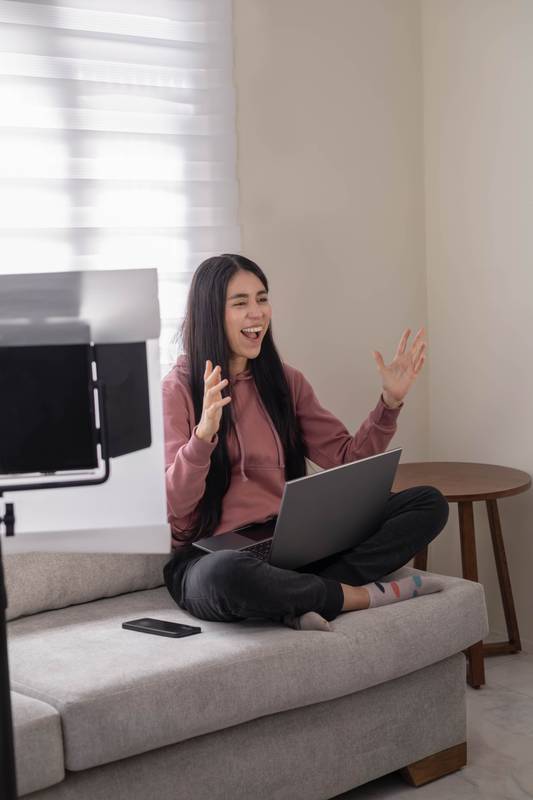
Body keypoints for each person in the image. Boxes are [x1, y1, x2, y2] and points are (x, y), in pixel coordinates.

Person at [162, 254, 449, 631]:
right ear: (211, 313)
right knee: (226, 573)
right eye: (240, 303)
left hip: (288, 546)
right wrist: (203, 436)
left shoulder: (285, 382)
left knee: (427, 502)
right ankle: (356, 595)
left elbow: (347, 459)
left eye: (262, 299)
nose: (257, 314)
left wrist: (389, 403)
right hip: (207, 558)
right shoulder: (177, 390)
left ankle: (297, 597)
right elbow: (176, 506)